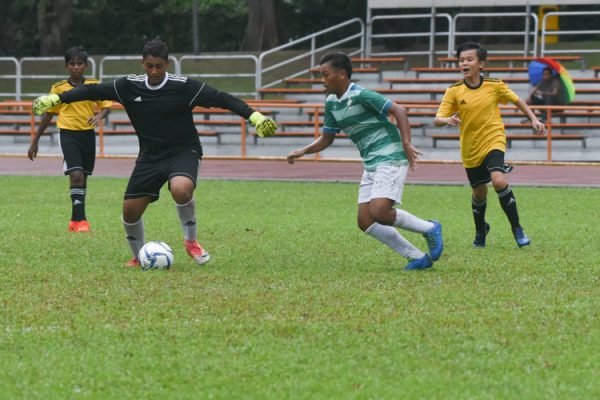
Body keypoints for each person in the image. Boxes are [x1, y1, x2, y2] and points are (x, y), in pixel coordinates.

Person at [32, 39, 277, 267]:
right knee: (129, 211)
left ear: (167, 64)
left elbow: (222, 98)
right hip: (150, 157)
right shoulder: (129, 86)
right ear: (143, 63)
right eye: (149, 66)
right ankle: (139, 257)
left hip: (183, 151)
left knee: (181, 189)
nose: (154, 71)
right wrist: (56, 98)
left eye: (159, 66)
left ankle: (191, 241)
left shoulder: (184, 87)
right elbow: (91, 91)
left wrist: (254, 116)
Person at [286, 52, 443, 271]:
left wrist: (406, 143)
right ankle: (417, 257)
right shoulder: (332, 102)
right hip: (371, 163)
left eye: (325, 75)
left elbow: (399, 110)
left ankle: (430, 228)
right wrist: (303, 151)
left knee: (379, 211)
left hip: (390, 156)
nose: (322, 80)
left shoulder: (361, 95)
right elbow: (327, 138)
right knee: (365, 221)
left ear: (341, 74)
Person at [434, 42, 546, 248]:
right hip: (470, 148)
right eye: (461, 60)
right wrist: (447, 120)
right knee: (479, 192)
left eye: (469, 59)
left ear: (481, 64)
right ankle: (480, 231)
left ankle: (517, 229)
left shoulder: (495, 85)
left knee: (498, 180)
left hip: (493, 140)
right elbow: (438, 118)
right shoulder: (454, 91)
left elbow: (517, 100)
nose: (464, 63)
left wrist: (533, 119)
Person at [28, 46, 112, 233]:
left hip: (87, 135)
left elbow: (107, 106)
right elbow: (48, 115)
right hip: (67, 134)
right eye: (72, 64)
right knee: (76, 175)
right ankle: (81, 221)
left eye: (79, 63)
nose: (76, 67)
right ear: (67, 66)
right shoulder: (58, 88)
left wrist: (99, 116)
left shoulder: (93, 85)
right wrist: (35, 141)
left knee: (84, 178)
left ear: (86, 65)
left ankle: (75, 220)